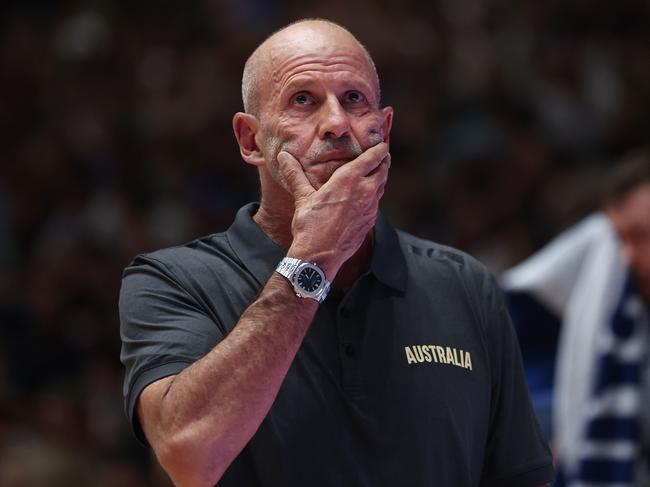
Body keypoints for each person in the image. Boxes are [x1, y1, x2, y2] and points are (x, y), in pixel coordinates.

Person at [119, 19, 554, 487]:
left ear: (383, 129)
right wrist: (313, 260)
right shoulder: (172, 280)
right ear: (250, 140)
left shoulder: (465, 284)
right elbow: (189, 455)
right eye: (302, 100)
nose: (336, 124)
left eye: (354, 99)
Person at [503, 150, 650, 486]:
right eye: (621, 239)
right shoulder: (607, 268)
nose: (625, 257)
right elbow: (507, 312)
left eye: (640, 236)